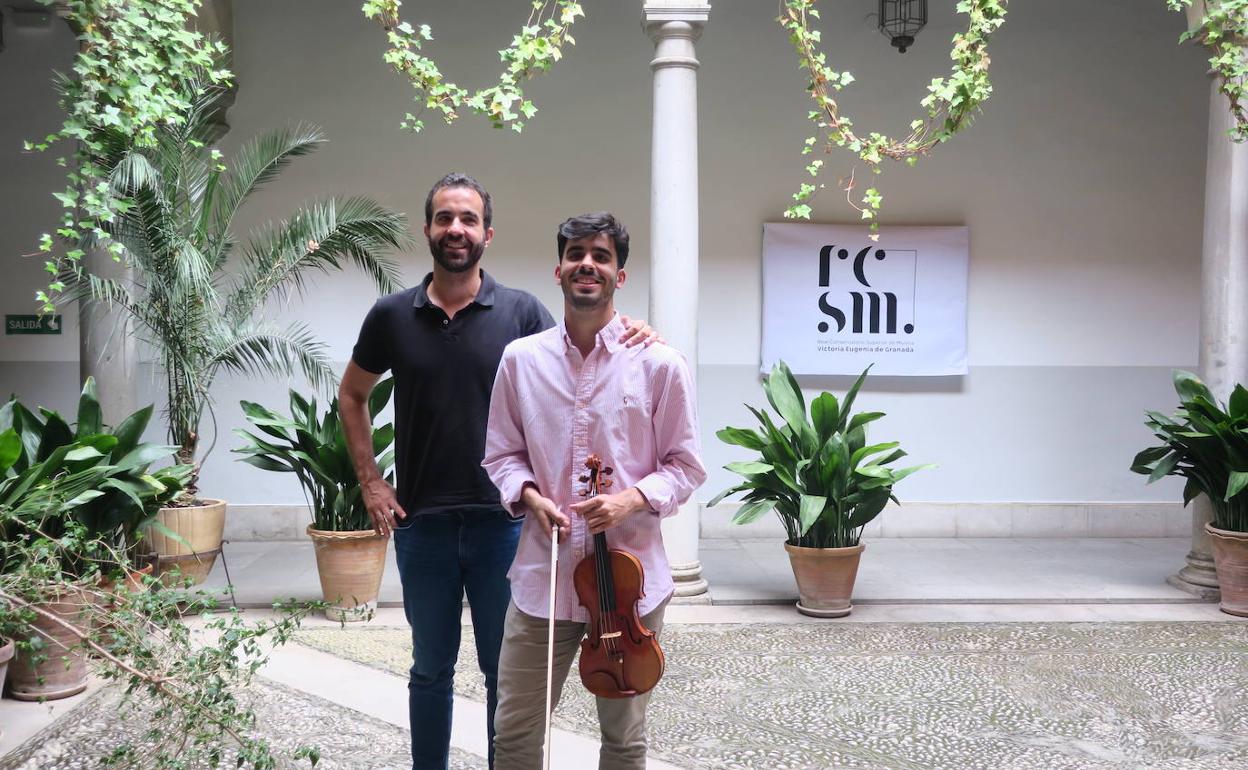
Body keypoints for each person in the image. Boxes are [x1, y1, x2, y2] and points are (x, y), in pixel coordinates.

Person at [339, 175, 657, 770]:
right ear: (429, 228)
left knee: (503, 677)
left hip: (505, 524)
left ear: (488, 233)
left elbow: (580, 348)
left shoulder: (521, 312)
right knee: (429, 667)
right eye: (443, 218)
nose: (455, 229)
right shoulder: (391, 315)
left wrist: (634, 330)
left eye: (467, 219)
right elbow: (352, 395)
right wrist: (371, 481)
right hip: (424, 524)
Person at [481, 212, 706, 770]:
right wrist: (528, 494)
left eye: (601, 256)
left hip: (629, 590)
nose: (588, 264)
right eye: (577, 253)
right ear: (558, 269)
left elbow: (686, 465)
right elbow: (502, 455)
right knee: (514, 731)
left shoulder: (659, 364)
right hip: (545, 578)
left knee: (624, 740)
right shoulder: (521, 360)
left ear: (619, 276)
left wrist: (630, 499)